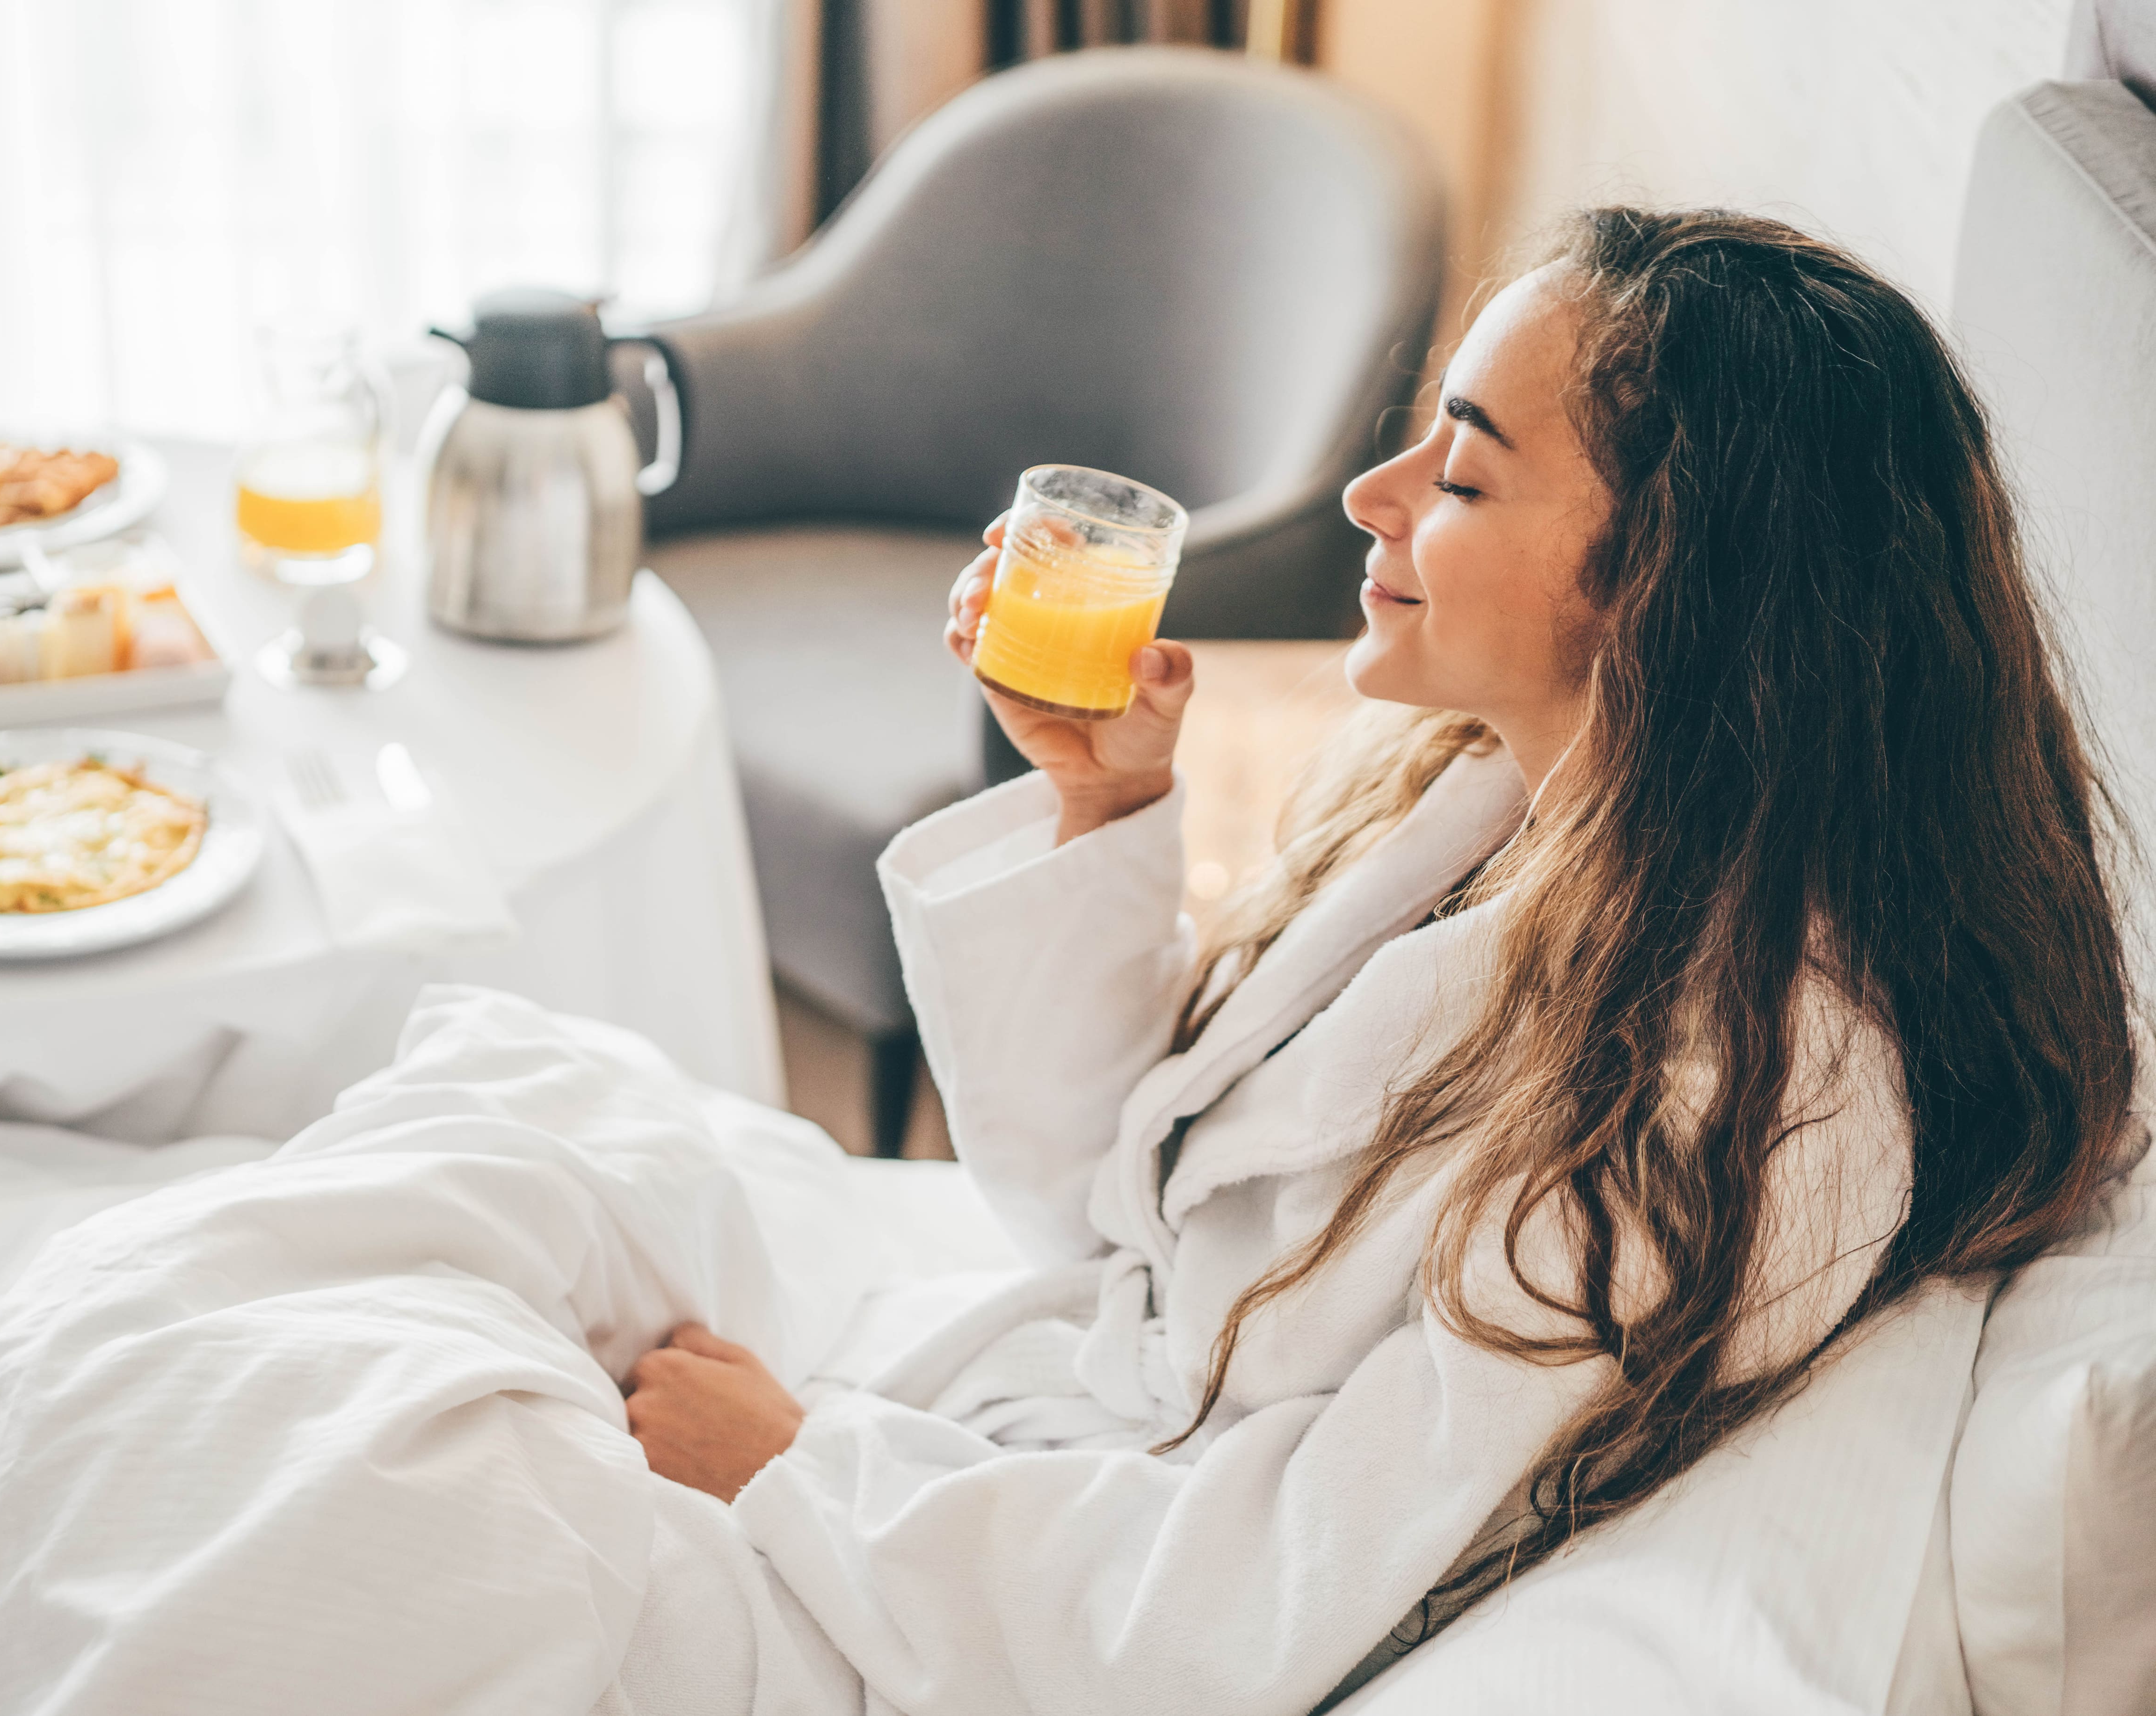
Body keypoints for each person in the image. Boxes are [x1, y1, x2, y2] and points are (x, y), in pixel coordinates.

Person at [615, 207, 2143, 1709]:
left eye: (1463, 471)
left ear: (1666, 577)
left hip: (1052, 1564)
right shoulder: (1478, 803)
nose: (1367, 493)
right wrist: (1107, 796)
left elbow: (1278, 1587)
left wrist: (806, 1475)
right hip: (1059, 1452)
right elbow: (1126, 1203)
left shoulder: (1740, 1092)